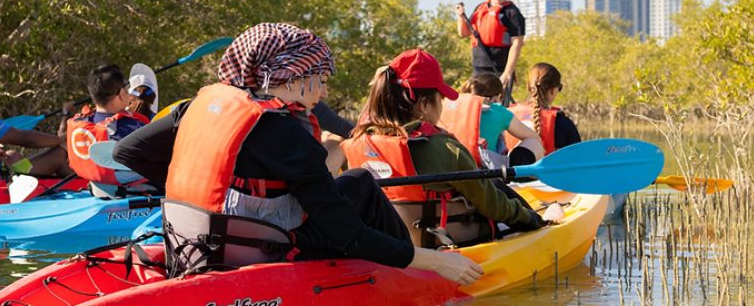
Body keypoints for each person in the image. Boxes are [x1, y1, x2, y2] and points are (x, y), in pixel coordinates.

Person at [113, 23, 483, 285]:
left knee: (355, 180)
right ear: (291, 76)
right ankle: (406, 276)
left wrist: (197, 182)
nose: (322, 91)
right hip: (266, 246)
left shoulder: (196, 107)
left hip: (199, 239)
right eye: (319, 79)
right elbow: (347, 233)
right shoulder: (286, 132)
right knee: (362, 186)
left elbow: (127, 152)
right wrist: (434, 261)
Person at [343, 49, 547, 248]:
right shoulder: (445, 148)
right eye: (440, 99)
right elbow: (492, 205)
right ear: (424, 104)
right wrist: (532, 219)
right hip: (441, 245)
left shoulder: (361, 140)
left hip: (388, 246)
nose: (441, 106)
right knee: (493, 185)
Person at [64, 65, 154, 198]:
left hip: (96, 186)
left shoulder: (81, 123)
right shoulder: (135, 126)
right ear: (122, 93)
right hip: (133, 191)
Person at [445, 73, 544, 168]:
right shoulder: (498, 111)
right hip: (488, 170)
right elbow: (534, 138)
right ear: (499, 97)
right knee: (534, 143)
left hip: (452, 165)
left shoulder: (454, 108)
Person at [455, 0, 526, 98]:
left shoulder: (512, 13)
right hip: (479, 67)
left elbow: (517, 43)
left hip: (499, 68)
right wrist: (460, 16)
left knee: (496, 103)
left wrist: (507, 73)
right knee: (476, 102)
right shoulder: (480, 8)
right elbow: (464, 33)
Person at [505, 63, 581, 155]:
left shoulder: (507, 114)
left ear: (528, 87)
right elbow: (577, 156)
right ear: (552, 90)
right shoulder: (562, 122)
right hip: (547, 169)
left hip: (510, 168)